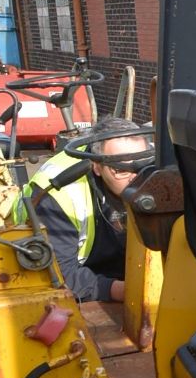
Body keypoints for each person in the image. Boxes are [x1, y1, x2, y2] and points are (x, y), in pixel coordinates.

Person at [23, 116, 150, 304]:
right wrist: (127, 291)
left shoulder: (152, 173)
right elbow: (58, 274)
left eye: (141, 166)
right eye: (121, 169)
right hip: (67, 272)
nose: (136, 178)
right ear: (97, 167)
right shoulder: (59, 194)